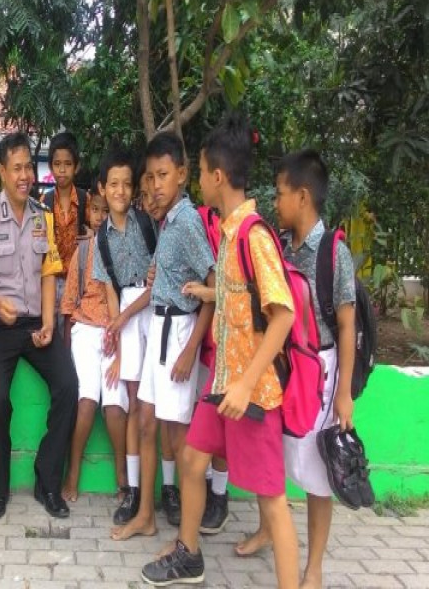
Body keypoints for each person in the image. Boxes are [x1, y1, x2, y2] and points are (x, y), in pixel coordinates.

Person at [141, 113, 299, 587]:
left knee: (273, 501)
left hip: (251, 394)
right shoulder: (229, 233)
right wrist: (209, 293)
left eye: (201, 170)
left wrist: (246, 384)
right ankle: (189, 554)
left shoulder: (253, 235)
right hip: (223, 384)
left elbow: (283, 314)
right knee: (192, 461)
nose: (197, 180)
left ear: (216, 176)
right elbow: (239, 295)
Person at [234, 149, 355, 588]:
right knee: (276, 456)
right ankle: (269, 529)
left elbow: (347, 324)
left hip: (320, 370)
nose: (275, 202)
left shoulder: (333, 252)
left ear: (303, 196)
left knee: (317, 473)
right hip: (286, 367)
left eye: (280, 193)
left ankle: (314, 567)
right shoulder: (283, 246)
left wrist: (343, 392)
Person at [113, 132, 215, 541]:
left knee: (179, 436)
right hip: (159, 327)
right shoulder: (168, 222)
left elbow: (213, 287)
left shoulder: (187, 222)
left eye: (163, 175)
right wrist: (126, 314)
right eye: (151, 177)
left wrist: (190, 349)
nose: (156, 185)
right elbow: (159, 282)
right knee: (145, 422)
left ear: (182, 175)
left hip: (178, 334)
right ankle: (145, 515)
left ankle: (187, 539)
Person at [0, 132, 78, 520]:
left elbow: (49, 273)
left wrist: (49, 323)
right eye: (16, 168)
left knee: (68, 386)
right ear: (2, 172)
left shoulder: (42, 215)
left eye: (28, 167)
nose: (24, 176)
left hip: (35, 323)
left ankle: (47, 480)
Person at [90, 146, 157, 526]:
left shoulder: (147, 224)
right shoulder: (101, 239)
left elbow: (158, 277)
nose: (120, 191)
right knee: (133, 403)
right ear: (102, 188)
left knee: (156, 405)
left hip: (155, 309)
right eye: (113, 184)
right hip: (127, 315)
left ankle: (167, 488)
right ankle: (133, 490)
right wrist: (116, 342)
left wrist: (124, 318)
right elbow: (111, 291)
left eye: (126, 184)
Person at [60, 184, 126, 502]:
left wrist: (118, 334)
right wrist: (65, 345)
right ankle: (72, 472)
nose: (99, 216)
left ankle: (124, 476)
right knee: (86, 400)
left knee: (114, 406)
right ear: (88, 212)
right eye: (95, 210)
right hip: (85, 330)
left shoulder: (123, 247)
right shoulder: (83, 251)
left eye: (105, 210)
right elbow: (69, 303)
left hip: (115, 331)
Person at [46, 132, 88, 329]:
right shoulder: (44, 201)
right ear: (50, 167)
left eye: (68, 164)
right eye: (57, 164)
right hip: (50, 281)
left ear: (76, 167)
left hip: (77, 281)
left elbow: (96, 233)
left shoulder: (85, 200)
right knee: (51, 329)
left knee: (72, 332)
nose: (62, 170)